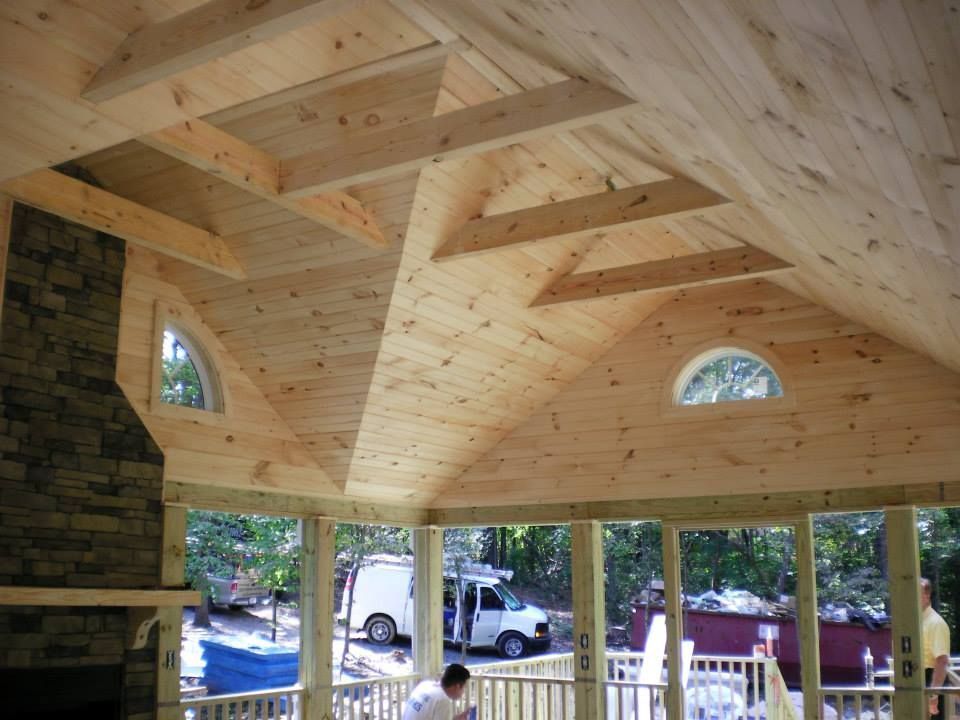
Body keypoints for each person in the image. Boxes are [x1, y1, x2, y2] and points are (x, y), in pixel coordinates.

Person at [921, 577, 950, 720]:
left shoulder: (936, 623)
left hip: (932, 680)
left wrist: (934, 694)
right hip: (920, 679)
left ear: (927, 595)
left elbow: (942, 660)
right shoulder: (919, 621)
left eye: (917, 593)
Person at [402, 663, 473, 720]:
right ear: (457, 686)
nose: (463, 692)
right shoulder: (443, 700)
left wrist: (461, 717)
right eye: (464, 687)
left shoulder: (425, 685)